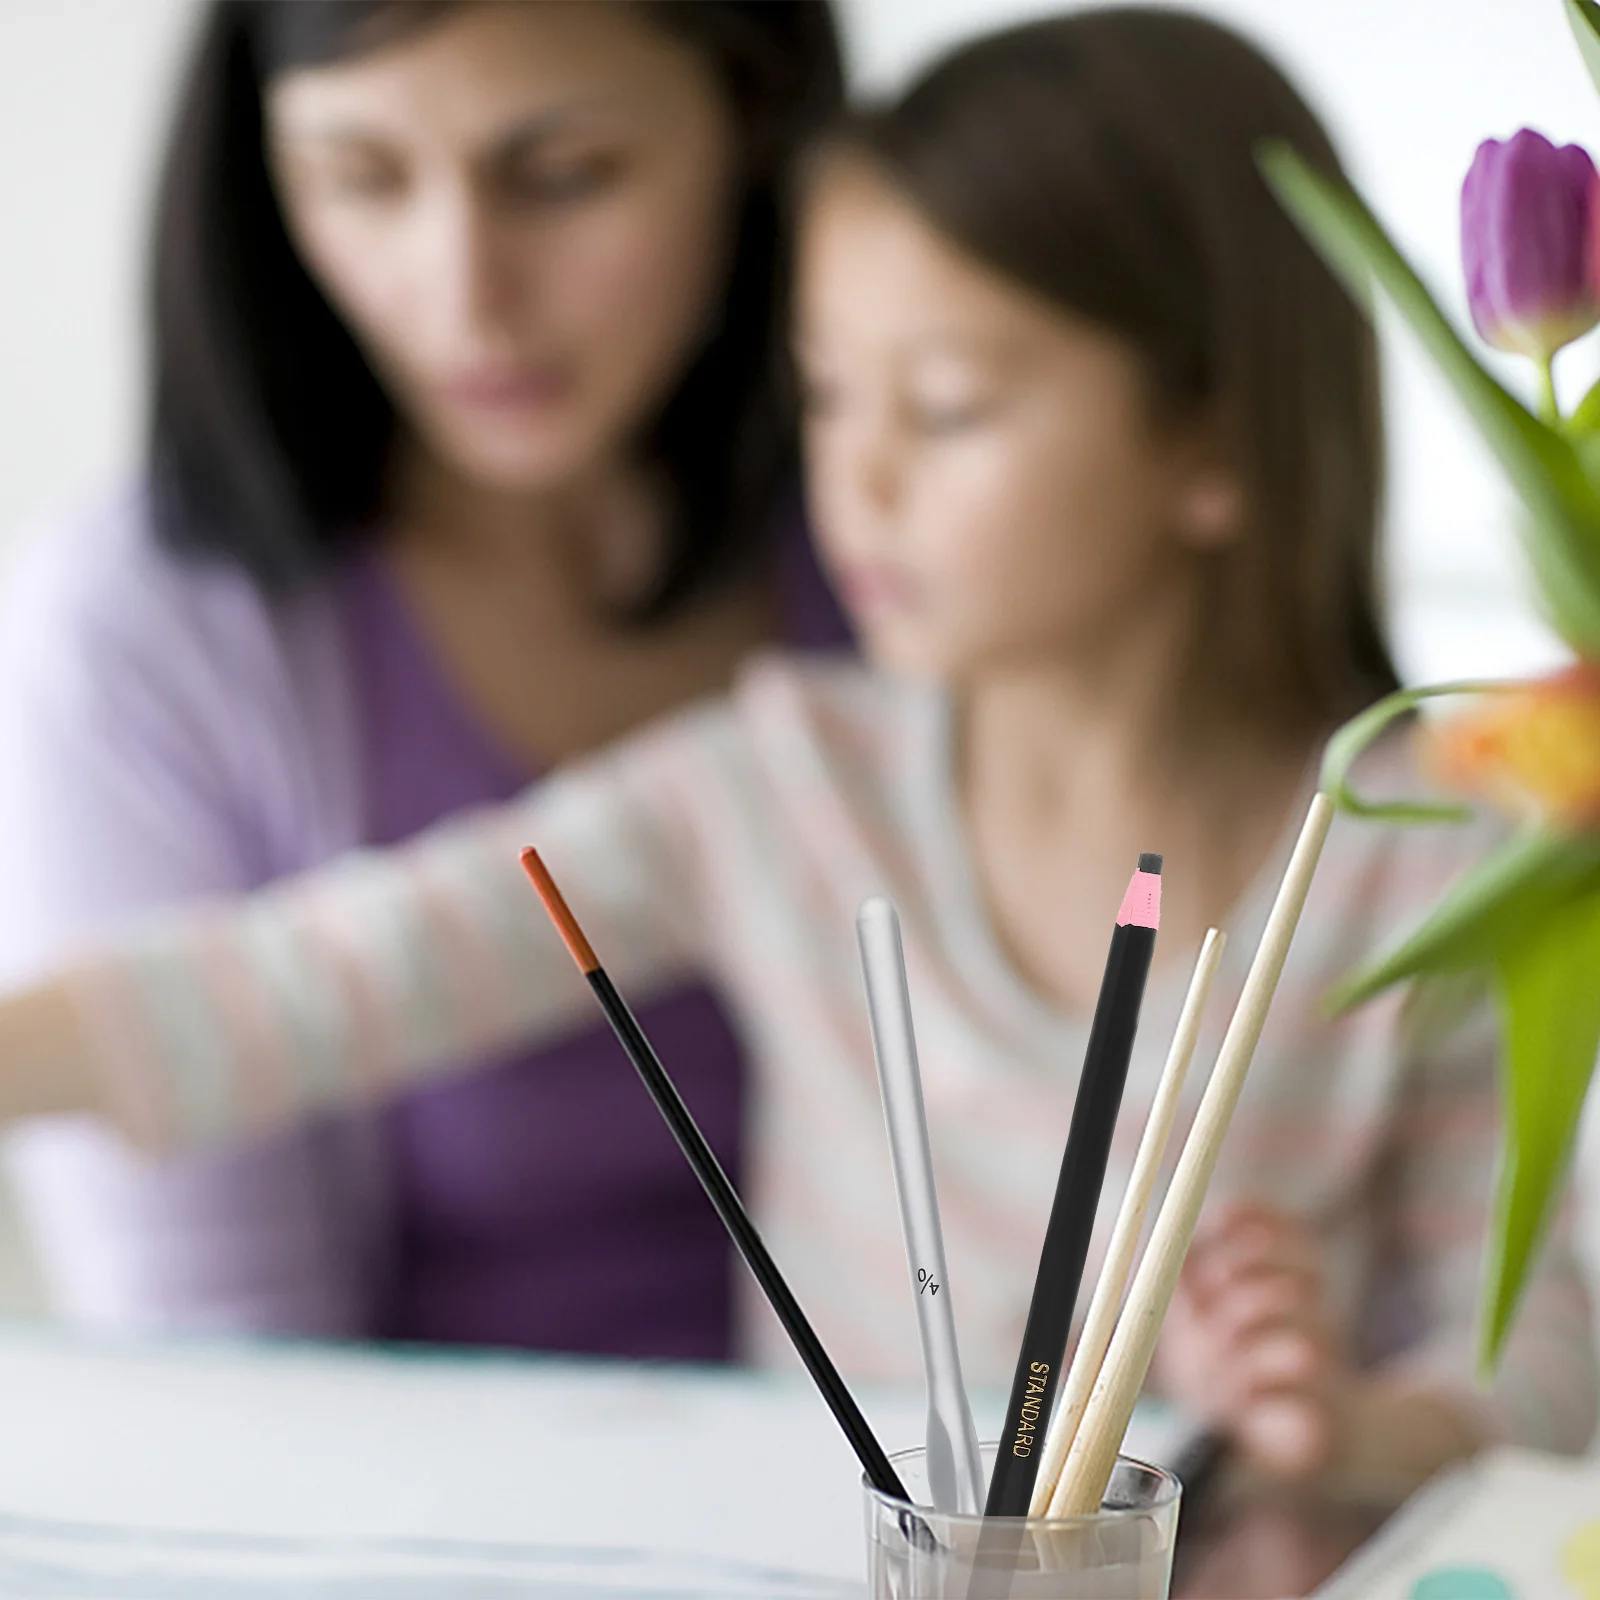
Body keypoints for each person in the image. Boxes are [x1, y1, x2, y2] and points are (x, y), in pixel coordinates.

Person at [2, 8, 1592, 1497]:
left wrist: (1352, 1426)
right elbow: (303, 983)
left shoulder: (1434, 869)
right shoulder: (786, 783)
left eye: (950, 406)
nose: (859, 483)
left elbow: (1536, 1349)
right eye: (826, 398)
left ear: (1215, 444)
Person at [0, 0, 847, 1357]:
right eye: (360, 178)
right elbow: (249, 1045)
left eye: (568, 174)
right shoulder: (132, 638)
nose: (465, 297)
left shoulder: (914, 560)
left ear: (758, 114)